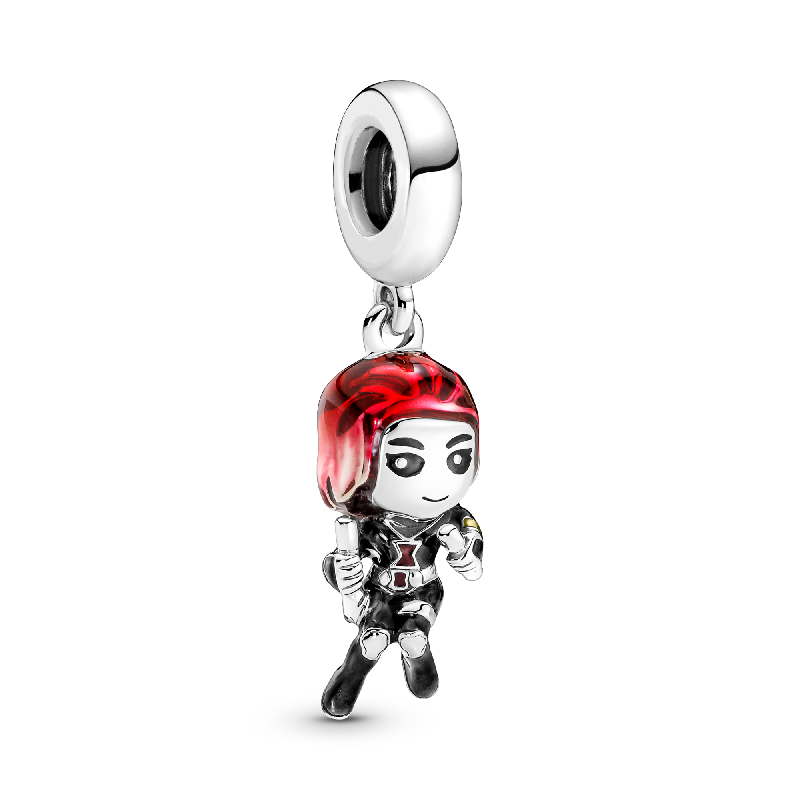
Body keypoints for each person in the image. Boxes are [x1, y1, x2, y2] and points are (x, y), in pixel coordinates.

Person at [317, 352, 484, 719]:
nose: (437, 484)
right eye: (405, 461)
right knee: (373, 639)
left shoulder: (452, 517)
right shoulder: (370, 523)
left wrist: (460, 548)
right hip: (378, 590)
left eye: (458, 458)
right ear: (354, 460)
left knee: (413, 635)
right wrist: (342, 572)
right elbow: (345, 562)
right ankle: (351, 677)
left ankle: (420, 663)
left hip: (423, 590)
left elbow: (473, 566)